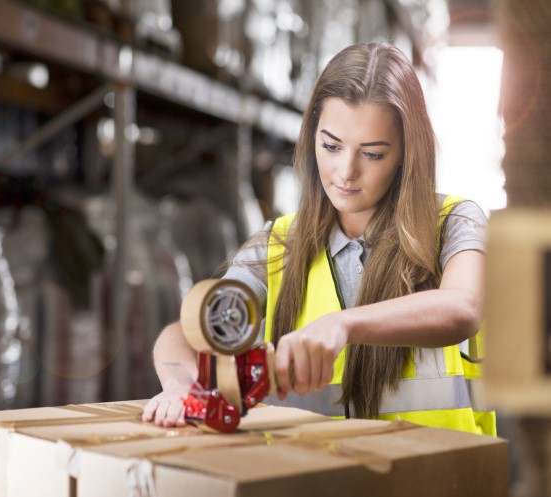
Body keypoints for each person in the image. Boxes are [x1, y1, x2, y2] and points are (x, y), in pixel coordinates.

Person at [142, 42, 496, 436]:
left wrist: (342, 325)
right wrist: (181, 384)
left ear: (406, 155)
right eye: (331, 146)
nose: (346, 172)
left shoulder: (454, 222)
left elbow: (462, 308)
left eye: (373, 154)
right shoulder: (278, 243)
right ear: (312, 138)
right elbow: (189, 330)